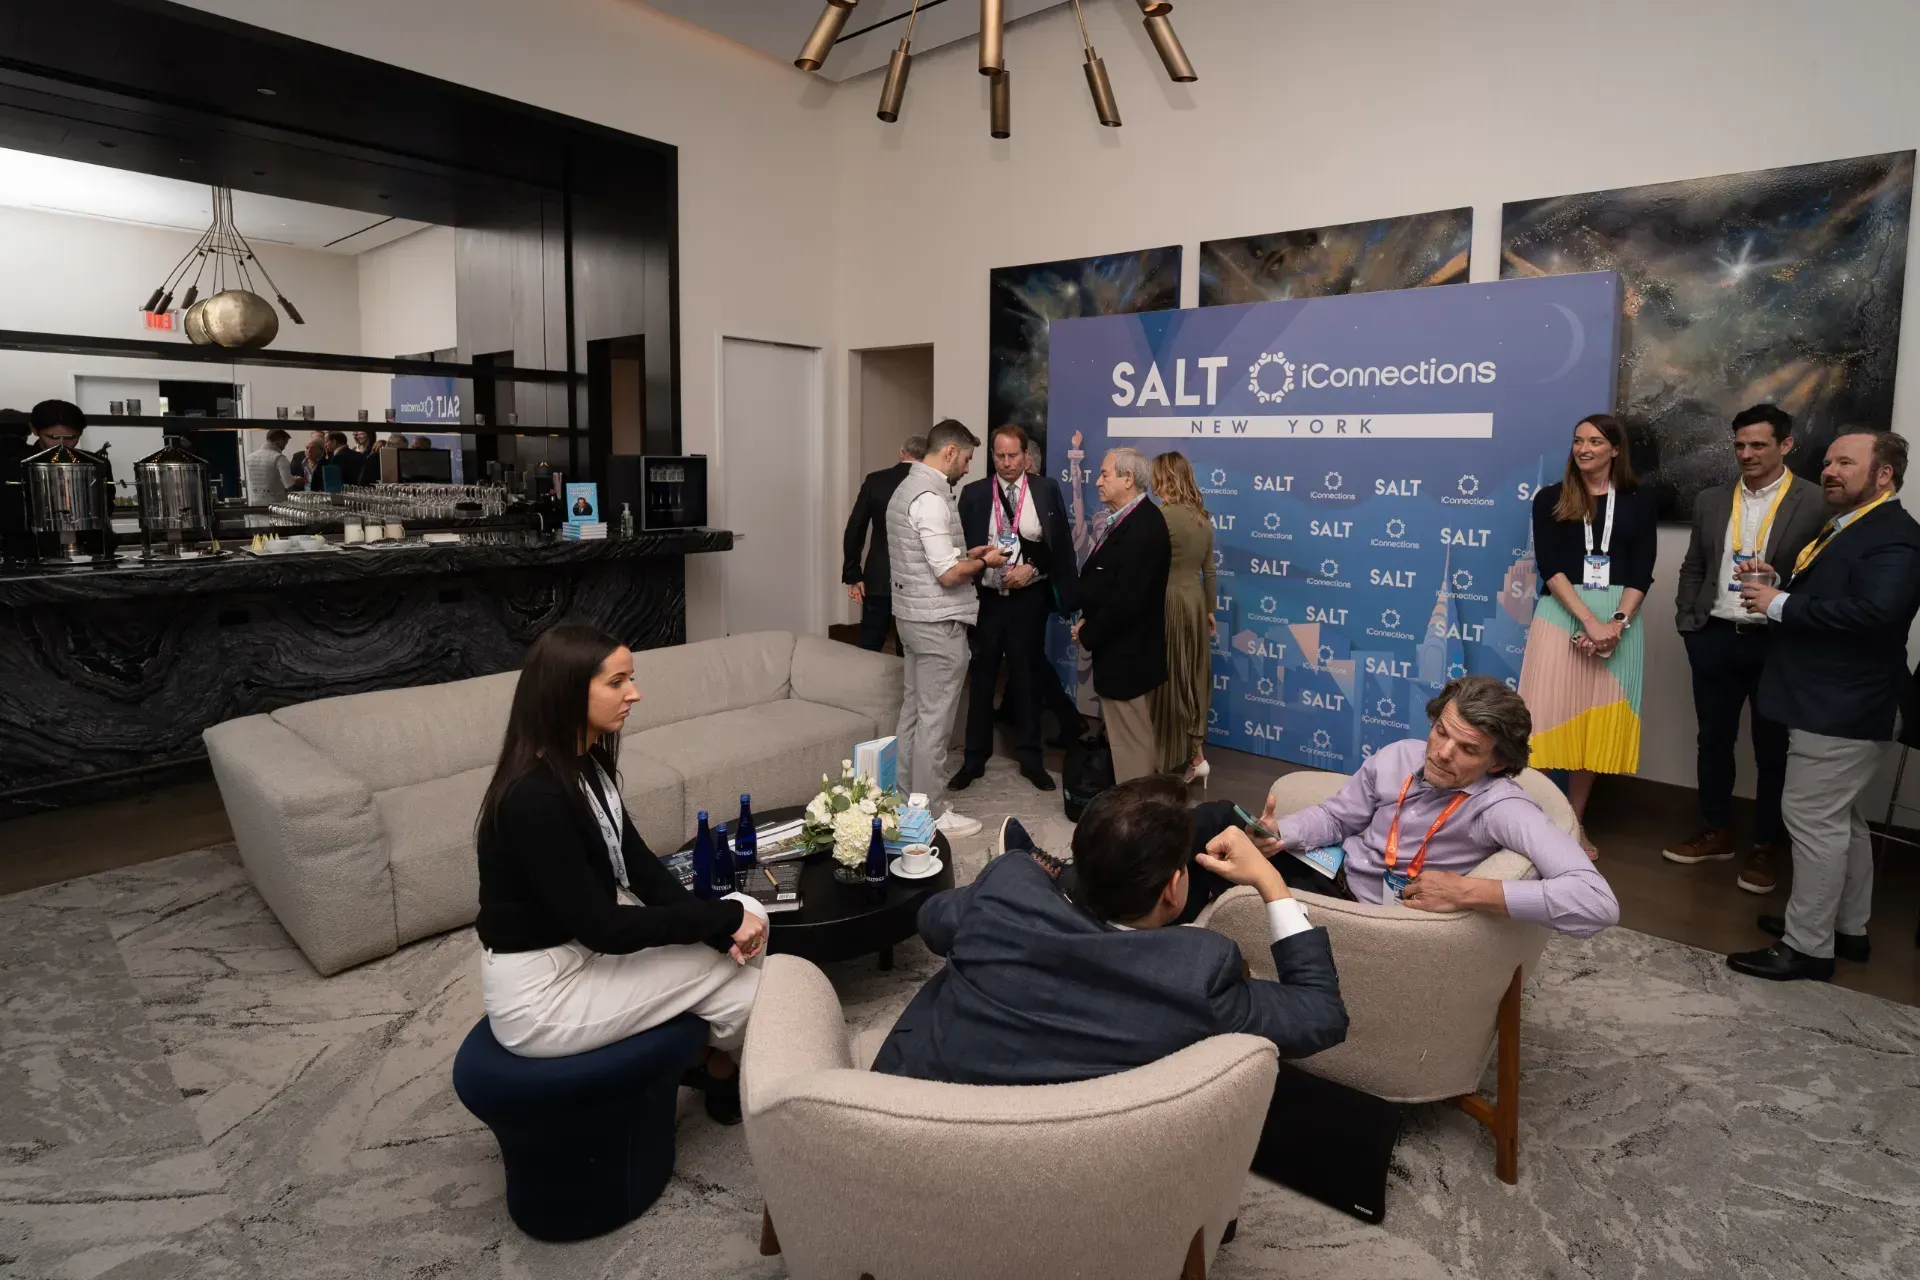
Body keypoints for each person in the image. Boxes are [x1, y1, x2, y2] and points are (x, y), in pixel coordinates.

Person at [474, 624, 769, 1123]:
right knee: (750, 990)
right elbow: (604, 928)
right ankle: (720, 1067)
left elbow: (640, 868)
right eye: (617, 683)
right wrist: (716, 925)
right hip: (540, 996)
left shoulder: (582, 765)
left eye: (630, 679)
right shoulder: (535, 798)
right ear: (569, 690)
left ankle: (708, 1059)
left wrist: (721, 923)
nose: (635, 693)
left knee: (751, 912)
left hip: (579, 952)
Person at [870, 776, 1348, 1085]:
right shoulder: (1199, 972)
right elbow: (1321, 1014)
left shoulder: (1007, 887)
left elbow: (932, 922)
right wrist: (1270, 881)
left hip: (918, 1110)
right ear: (1175, 890)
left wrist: (1020, 880)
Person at [1182, 676, 1620, 938]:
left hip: (1368, 919)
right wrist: (1282, 835)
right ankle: (1139, 921)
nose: (1443, 753)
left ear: (1498, 762)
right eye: (1441, 732)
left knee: (1232, 885)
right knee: (1217, 818)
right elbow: (1339, 817)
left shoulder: (1503, 807)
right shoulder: (1399, 756)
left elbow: (1597, 903)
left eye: (1468, 748)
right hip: (1334, 871)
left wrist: (1469, 891)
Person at [1726, 430, 1920, 982]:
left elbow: (1874, 614)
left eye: (1845, 463)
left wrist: (1779, 603)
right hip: (1837, 702)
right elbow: (1840, 596)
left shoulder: (1895, 537)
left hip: (1843, 707)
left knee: (1813, 821)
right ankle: (1846, 929)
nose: (1829, 471)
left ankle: (1807, 947)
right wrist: (1778, 585)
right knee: (1844, 820)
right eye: (1828, 461)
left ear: (1883, 476)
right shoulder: (1853, 526)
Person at [1665, 404, 1826, 892]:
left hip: (1777, 644)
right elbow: (1695, 564)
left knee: (1772, 747)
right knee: (1712, 740)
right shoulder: (1713, 499)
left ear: (1785, 445)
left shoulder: (1816, 502)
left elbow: (1823, 577)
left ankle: (1765, 846)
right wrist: (1687, 622)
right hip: (1714, 637)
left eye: (1758, 445)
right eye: (1740, 445)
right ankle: (1717, 829)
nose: (1747, 454)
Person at [1516, 413, 1658, 856]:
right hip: (1563, 612)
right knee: (1540, 720)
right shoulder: (1551, 498)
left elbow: (1642, 570)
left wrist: (1616, 624)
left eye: (1595, 441)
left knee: (1593, 725)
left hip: (1619, 618)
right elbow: (1551, 567)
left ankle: (1575, 823)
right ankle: (1525, 822)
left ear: (1615, 449)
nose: (1584, 449)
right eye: (1578, 440)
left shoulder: (1638, 499)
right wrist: (1590, 624)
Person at [885, 419, 1006, 838]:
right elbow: (949, 574)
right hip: (937, 623)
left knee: (913, 714)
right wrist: (984, 562)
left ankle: (906, 802)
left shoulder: (906, 489)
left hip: (910, 618)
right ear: (950, 452)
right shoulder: (932, 498)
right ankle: (932, 814)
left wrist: (965, 552)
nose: (969, 468)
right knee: (934, 723)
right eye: (968, 458)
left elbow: (928, 556)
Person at [952, 424, 1079, 793]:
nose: (1006, 463)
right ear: (992, 456)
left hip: (1028, 601)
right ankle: (974, 760)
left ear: (1026, 456)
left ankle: (1031, 760)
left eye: (1013, 456)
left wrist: (1033, 569)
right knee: (982, 681)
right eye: (999, 456)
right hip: (987, 602)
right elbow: (959, 550)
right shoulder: (974, 494)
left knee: (1026, 680)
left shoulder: (1045, 489)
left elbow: (1059, 547)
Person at [1072, 446, 1171, 783]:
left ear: (1128, 479)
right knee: (1127, 740)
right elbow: (1111, 585)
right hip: (1122, 651)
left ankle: (1137, 818)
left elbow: (1128, 601)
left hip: (1128, 655)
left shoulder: (1143, 527)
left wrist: (1088, 633)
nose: (1097, 481)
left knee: (1131, 744)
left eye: (1104, 474)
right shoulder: (1132, 520)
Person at [1148, 451, 1217, 785]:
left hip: (1168, 601)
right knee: (1191, 679)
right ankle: (1195, 755)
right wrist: (1209, 610)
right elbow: (1210, 571)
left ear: (1164, 478)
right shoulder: (1203, 518)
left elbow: (1149, 570)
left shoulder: (1159, 516)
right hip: (1194, 600)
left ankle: (1165, 758)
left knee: (1169, 682)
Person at [841, 435, 927, 652]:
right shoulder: (931, 484)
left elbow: (855, 529)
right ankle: (907, 686)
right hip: (917, 577)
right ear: (926, 458)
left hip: (878, 574)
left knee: (871, 643)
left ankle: (867, 685)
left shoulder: (875, 481)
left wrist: (853, 574)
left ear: (901, 453)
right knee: (910, 647)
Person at [245, 429, 295, 504]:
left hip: (255, 503)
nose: (285, 447)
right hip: (276, 504)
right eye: (285, 443)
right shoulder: (279, 458)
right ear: (280, 441)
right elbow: (288, 484)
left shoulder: (250, 457)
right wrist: (296, 480)